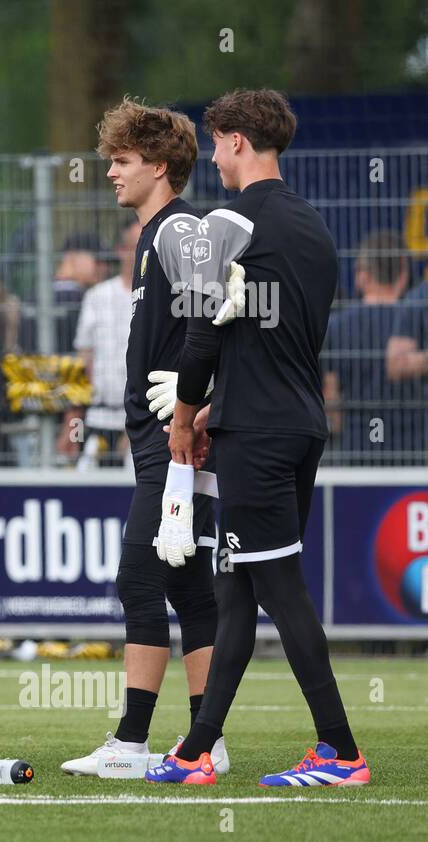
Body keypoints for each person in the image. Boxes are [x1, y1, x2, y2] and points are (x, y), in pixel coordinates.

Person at [152, 89, 369, 787]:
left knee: (278, 587)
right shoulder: (312, 225)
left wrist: (186, 417)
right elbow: (278, 336)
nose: (212, 155)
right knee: (237, 589)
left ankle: (340, 750)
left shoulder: (226, 222)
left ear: (239, 141)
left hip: (261, 435)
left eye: (216, 142)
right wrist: (223, 406)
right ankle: (195, 753)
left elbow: (201, 332)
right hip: (296, 422)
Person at [60, 98, 225, 776]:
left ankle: (133, 741)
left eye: (122, 162)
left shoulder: (179, 231)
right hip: (161, 437)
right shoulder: (157, 236)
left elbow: (213, 321)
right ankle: (203, 740)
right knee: (185, 587)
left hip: (173, 437)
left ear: (160, 166)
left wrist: (195, 404)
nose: (111, 174)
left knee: (139, 577)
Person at [324, 231, 422, 465]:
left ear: (362, 276)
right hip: (414, 447)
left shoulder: (337, 327)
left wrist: (343, 429)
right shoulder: (416, 322)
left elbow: (330, 396)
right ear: (403, 273)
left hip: (358, 444)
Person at [70, 220, 141, 470]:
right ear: (121, 250)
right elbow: (83, 359)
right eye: (135, 246)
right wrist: (74, 415)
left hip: (140, 417)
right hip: (98, 414)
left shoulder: (158, 297)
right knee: (85, 482)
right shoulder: (96, 297)